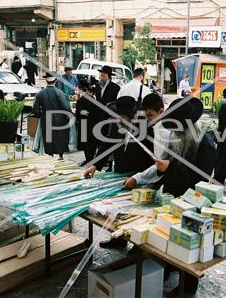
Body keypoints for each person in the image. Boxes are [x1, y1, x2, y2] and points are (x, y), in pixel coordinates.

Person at [155, 96, 216, 295]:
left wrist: (171, 167)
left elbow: (198, 181)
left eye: (178, 130)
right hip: (173, 198)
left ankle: (187, 287)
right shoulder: (178, 136)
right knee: (169, 237)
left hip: (193, 203)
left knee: (190, 246)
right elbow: (166, 160)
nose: (175, 134)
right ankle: (169, 267)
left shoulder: (205, 146)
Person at [84, 96, 155, 248]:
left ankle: (137, 245)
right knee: (118, 207)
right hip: (121, 169)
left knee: (138, 210)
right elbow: (108, 144)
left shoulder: (146, 126)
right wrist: (95, 164)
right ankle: (118, 240)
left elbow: (153, 154)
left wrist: (139, 177)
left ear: (133, 116)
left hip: (139, 172)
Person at [123, 93, 169, 189]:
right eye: (145, 116)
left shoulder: (167, 131)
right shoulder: (154, 126)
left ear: (161, 111)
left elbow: (161, 164)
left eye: (150, 115)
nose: (148, 119)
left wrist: (137, 178)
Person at [32, 73, 72, 160]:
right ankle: (60, 155)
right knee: (60, 137)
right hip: (60, 119)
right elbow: (66, 107)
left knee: (48, 137)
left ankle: (50, 156)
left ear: (46, 81)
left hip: (46, 118)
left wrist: (41, 115)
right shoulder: (59, 92)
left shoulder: (40, 93)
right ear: (55, 81)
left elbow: (35, 109)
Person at [75, 80, 98, 165]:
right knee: (93, 142)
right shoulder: (95, 100)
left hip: (84, 123)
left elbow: (78, 113)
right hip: (94, 124)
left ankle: (88, 159)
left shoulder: (81, 100)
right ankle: (92, 158)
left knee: (85, 142)